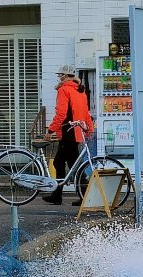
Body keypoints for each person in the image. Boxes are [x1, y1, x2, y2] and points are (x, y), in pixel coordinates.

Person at [42, 64, 94, 206]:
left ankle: (59, 195)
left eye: (60, 76)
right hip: (76, 132)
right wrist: (89, 128)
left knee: (60, 162)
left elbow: (61, 114)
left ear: (65, 76)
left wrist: (50, 130)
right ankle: (80, 195)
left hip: (67, 131)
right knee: (71, 164)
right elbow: (86, 113)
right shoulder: (80, 90)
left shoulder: (64, 90)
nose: (59, 78)